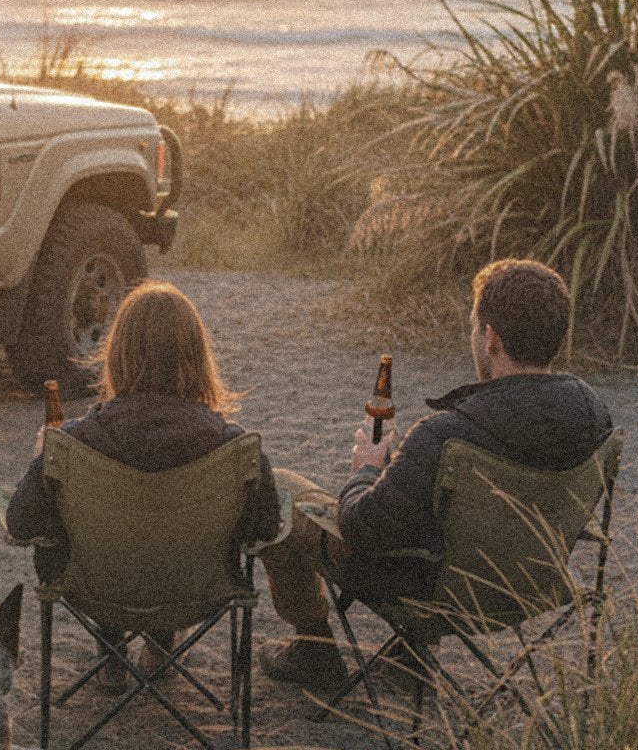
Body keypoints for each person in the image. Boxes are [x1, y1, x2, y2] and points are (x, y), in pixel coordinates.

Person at [260, 257, 614, 695]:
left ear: (490, 339)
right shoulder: (594, 417)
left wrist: (368, 468)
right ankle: (410, 655)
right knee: (435, 503)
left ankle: (315, 653)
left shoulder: (446, 436)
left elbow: (361, 528)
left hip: (439, 594)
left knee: (283, 490)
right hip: (534, 585)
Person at [5, 281, 281, 678]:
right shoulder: (233, 448)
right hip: (196, 594)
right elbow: (265, 528)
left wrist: (41, 461)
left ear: (116, 354)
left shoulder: (73, 444)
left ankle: (111, 647)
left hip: (94, 593)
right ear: (197, 356)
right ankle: (161, 645)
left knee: (77, 526)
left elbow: (21, 524)